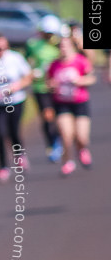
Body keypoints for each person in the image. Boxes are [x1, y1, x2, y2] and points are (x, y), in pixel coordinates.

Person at [0, 35, 31, 182]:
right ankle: (3, 167)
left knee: (14, 130)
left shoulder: (15, 58)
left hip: (16, 101)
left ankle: (19, 154)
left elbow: (28, 76)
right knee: (0, 134)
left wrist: (16, 87)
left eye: (2, 47)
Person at [47, 35, 96, 176]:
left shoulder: (80, 61)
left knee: (82, 136)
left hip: (80, 102)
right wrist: (52, 85)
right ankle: (68, 161)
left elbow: (92, 78)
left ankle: (82, 148)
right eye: (61, 46)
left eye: (66, 45)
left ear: (72, 47)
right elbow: (48, 81)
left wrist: (80, 81)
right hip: (62, 103)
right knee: (66, 134)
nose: (63, 48)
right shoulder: (54, 64)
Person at [24, 16, 64, 162]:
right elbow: (27, 62)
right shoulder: (33, 44)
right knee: (47, 116)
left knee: (60, 116)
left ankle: (61, 139)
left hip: (58, 86)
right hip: (41, 87)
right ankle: (52, 143)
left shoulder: (59, 44)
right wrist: (32, 71)